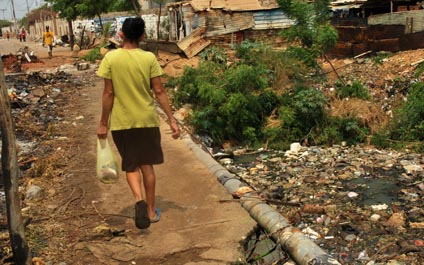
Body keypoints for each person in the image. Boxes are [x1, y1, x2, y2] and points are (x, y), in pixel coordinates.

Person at [96, 17, 180, 229]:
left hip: (122, 122)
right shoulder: (149, 58)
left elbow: (108, 93)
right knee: (147, 166)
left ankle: (138, 200)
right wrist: (171, 119)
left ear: (121, 34)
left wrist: (103, 123)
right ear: (143, 36)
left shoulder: (110, 59)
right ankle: (151, 211)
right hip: (146, 120)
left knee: (131, 165)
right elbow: (159, 91)